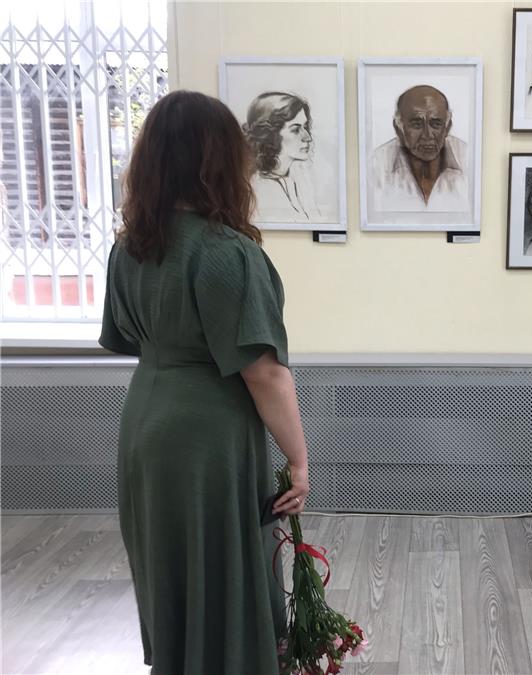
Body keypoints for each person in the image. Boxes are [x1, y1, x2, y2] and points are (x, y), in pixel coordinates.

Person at [100, 90, 311, 675]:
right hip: (208, 432)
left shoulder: (129, 248)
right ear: (218, 159)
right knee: (223, 563)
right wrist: (298, 460)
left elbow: (125, 336)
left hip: (146, 421)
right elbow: (263, 372)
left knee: (166, 559)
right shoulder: (226, 253)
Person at [369, 84, 468, 212]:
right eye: (416, 124)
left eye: (436, 124)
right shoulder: (377, 164)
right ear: (398, 128)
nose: (427, 135)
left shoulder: (468, 158)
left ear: (447, 127)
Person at [243, 91, 322, 221]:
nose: (307, 137)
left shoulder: (300, 177)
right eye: (296, 129)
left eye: (305, 127)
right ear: (271, 134)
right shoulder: (261, 189)